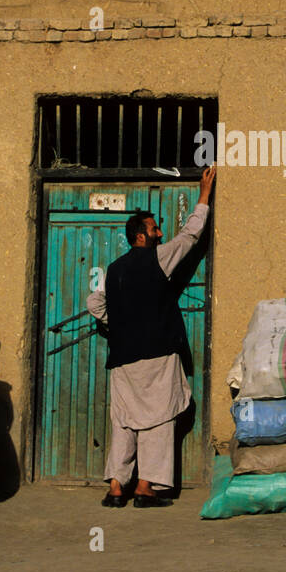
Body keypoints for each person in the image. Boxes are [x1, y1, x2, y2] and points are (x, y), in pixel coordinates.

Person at [86, 165, 215, 508]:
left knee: (124, 422)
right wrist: (203, 196)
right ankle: (145, 488)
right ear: (141, 236)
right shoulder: (158, 258)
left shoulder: (113, 269)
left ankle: (116, 487)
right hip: (157, 355)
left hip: (123, 360)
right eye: (155, 229)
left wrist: (119, 322)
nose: (160, 233)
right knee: (158, 420)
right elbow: (190, 236)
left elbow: (94, 302)